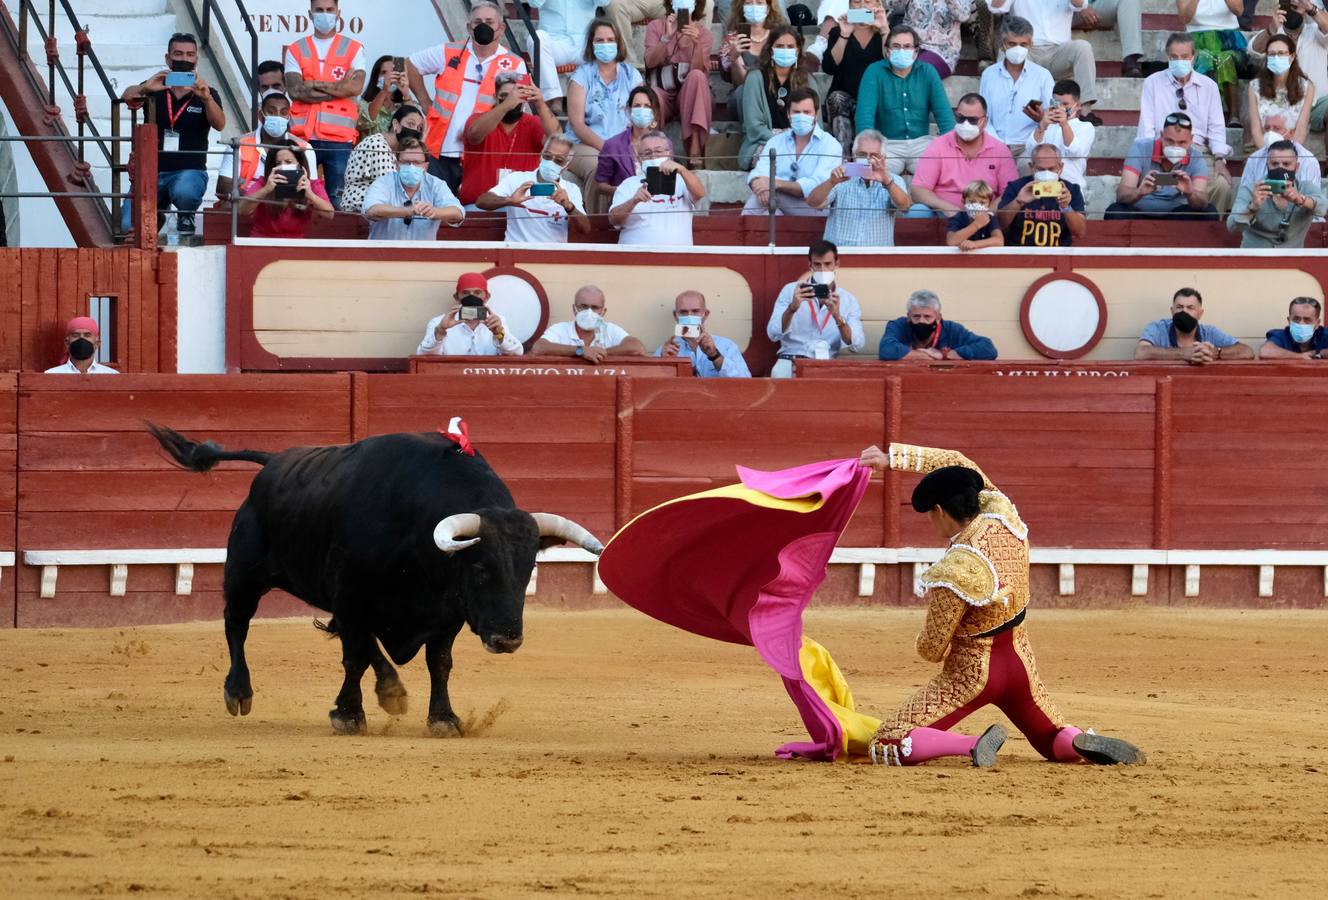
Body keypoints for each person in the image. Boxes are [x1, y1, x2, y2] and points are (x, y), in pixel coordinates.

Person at [856, 442, 1145, 768]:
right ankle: (1073, 739)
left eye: (929, 517)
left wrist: (921, 638)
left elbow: (932, 650)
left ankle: (971, 745)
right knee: (1050, 738)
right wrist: (891, 458)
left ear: (938, 511)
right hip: (1020, 661)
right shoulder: (1002, 515)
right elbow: (956, 460)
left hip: (972, 674)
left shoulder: (955, 569)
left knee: (887, 740)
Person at [407, 1, 527, 193]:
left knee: (472, 213)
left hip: (481, 154)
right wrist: (424, 101)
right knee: (431, 210)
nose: (483, 25)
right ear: (469, 27)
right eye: (478, 21)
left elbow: (516, 109)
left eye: (490, 21)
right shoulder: (448, 51)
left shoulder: (515, 64)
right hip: (439, 152)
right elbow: (410, 64)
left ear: (501, 28)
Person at [118, 32, 225, 243]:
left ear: (196, 59)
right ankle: (156, 215)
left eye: (189, 54)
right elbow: (125, 97)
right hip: (151, 172)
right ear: (168, 59)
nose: (184, 59)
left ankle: (186, 214)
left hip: (188, 172)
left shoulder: (207, 92)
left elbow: (220, 123)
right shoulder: (155, 87)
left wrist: (206, 98)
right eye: (178, 54)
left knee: (185, 189)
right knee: (127, 226)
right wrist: (145, 88)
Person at [284, 0, 366, 209]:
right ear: (310, 13)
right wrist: (339, 87)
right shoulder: (296, 48)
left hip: (339, 139)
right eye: (319, 10)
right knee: (295, 196)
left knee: (338, 199)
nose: (324, 14)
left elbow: (355, 87)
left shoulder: (353, 48)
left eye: (329, 10)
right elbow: (295, 91)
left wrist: (313, 85)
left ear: (338, 13)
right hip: (302, 137)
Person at [565, 18, 645, 213]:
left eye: (610, 40)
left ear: (618, 43)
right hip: (584, 145)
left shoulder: (631, 75)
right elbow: (577, 125)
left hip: (624, 143)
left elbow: (641, 112)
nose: (605, 45)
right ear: (591, 45)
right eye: (599, 41)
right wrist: (610, 149)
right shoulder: (581, 76)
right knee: (599, 166)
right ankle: (598, 226)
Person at [854, 25, 955, 175]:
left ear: (915, 52)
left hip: (922, 144)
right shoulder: (874, 71)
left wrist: (952, 150)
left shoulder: (928, 71)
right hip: (887, 144)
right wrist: (869, 152)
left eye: (907, 47)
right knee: (866, 173)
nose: (901, 51)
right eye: (896, 46)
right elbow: (864, 115)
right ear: (887, 51)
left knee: (942, 172)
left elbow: (944, 115)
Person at [459, 72, 561, 207]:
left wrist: (540, 103)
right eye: (504, 96)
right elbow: (474, 135)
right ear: (495, 98)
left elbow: (557, 139)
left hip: (522, 207)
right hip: (479, 206)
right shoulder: (478, 119)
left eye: (516, 95)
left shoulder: (533, 123)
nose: (512, 100)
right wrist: (507, 104)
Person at [911, 93, 1018, 215]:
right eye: (961, 118)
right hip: (944, 214)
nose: (965, 124)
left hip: (986, 216)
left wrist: (989, 212)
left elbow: (1010, 192)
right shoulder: (938, 146)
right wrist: (945, 207)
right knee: (917, 211)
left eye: (973, 120)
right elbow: (918, 189)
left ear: (985, 121)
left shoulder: (1000, 150)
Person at [743, 88, 844, 215]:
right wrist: (763, 188)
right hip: (781, 204)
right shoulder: (776, 141)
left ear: (816, 115)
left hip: (814, 207)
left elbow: (816, 185)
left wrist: (775, 184)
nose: (801, 117)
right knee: (770, 212)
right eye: (796, 112)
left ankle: (740, 233)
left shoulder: (830, 145)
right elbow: (758, 173)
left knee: (772, 196)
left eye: (807, 112)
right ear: (788, 114)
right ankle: (744, 232)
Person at [1106, 111, 1219, 221]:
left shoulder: (1197, 158)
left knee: (1209, 213)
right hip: (1140, 212)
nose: (1175, 147)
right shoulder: (1140, 148)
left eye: (1182, 143)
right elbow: (1121, 195)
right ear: (1161, 135)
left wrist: (1190, 193)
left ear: (1191, 140)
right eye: (1169, 141)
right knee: (1115, 211)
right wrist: (1139, 192)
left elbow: (1202, 202)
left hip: (1177, 216)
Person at [807, 129, 913, 246]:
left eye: (874, 156)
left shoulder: (894, 180)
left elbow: (905, 206)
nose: (868, 159)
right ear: (854, 156)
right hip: (839, 255)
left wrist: (887, 181)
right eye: (862, 154)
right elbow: (813, 203)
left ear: (883, 158)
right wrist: (831, 182)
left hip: (877, 257)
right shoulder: (840, 177)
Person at [765, 240, 866, 362]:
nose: (822, 270)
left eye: (828, 264)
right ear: (810, 265)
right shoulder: (791, 290)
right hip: (791, 358)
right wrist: (792, 309)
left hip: (825, 364)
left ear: (837, 264)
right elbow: (773, 334)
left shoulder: (848, 300)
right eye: (817, 264)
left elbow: (857, 345)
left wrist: (838, 318)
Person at [984, 0, 1102, 105]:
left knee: (1083, 47)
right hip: (1028, 51)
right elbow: (996, 8)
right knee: (1007, 52)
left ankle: (1086, 111)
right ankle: (1008, 106)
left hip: (1059, 52)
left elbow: (1080, 4)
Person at [477, 135, 590, 243]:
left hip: (552, 257)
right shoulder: (516, 178)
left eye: (558, 160)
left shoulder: (571, 189)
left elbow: (585, 229)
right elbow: (481, 201)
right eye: (547, 156)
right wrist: (509, 200)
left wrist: (569, 206)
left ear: (567, 166)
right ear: (541, 155)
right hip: (516, 252)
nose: (551, 162)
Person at [645, 1, 714, 168]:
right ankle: (650, 151)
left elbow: (700, 72)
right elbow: (650, 62)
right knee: (652, 94)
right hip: (662, 91)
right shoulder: (656, 26)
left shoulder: (703, 33)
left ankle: (695, 147)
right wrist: (666, 37)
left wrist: (696, 44)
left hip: (687, 94)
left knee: (697, 76)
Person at [215, 89, 316, 203]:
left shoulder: (304, 148)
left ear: (289, 116)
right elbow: (223, 187)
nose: (278, 116)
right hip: (245, 209)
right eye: (271, 112)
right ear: (260, 115)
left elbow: (313, 190)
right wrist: (262, 198)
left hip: (287, 211)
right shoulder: (239, 144)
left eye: (283, 112)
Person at [609, 131, 706, 245]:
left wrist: (682, 170)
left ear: (668, 153)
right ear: (640, 159)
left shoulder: (682, 180)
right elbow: (613, 219)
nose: (653, 156)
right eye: (647, 152)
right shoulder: (629, 184)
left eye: (658, 151)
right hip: (636, 257)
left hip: (678, 257)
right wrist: (634, 201)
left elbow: (700, 193)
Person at [1251, 0, 1328, 143]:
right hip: (1281, 104)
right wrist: (1271, 29)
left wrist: (1310, 8)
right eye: (1290, 6)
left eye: (1298, 6)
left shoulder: (1316, 31)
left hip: (1317, 105)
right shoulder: (1273, 32)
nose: (1295, 10)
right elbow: (1255, 50)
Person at [978, 17, 1055, 159]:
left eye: (1023, 44)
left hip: (1029, 147)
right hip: (994, 145)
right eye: (1012, 44)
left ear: (1030, 45)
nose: (1018, 49)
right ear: (1002, 45)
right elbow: (984, 116)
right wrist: (998, 145)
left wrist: (1041, 118)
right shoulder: (989, 75)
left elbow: (1051, 116)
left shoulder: (1043, 76)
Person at [1228, 140, 1327, 248]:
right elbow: (1232, 226)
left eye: (1286, 164)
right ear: (1267, 166)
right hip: (1256, 256)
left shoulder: (1305, 187)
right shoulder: (1251, 189)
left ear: (1296, 167)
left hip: (1292, 258)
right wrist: (1252, 207)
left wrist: (1301, 200)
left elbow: (1324, 207)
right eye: (1274, 164)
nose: (1280, 168)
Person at [361, 137, 465, 240]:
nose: (411, 166)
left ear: (425, 166)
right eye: (406, 162)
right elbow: (372, 210)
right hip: (383, 254)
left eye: (417, 162)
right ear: (397, 165)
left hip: (422, 254)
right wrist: (408, 211)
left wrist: (434, 212)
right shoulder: (383, 182)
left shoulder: (436, 185)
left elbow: (458, 213)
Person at [738, 26, 809, 170]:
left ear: (798, 50)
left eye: (790, 47)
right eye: (779, 46)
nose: (785, 50)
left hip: (799, 142)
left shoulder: (807, 81)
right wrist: (783, 142)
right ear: (770, 49)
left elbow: (815, 123)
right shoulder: (755, 78)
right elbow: (754, 127)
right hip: (765, 142)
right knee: (779, 162)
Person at [822, 0, 887, 151]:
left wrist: (884, 28)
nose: (862, 6)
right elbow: (829, 67)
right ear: (850, 6)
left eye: (868, 2)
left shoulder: (885, 33)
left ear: (878, 5)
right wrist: (845, 34)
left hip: (875, 97)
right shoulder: (838, 32)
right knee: (837, 98)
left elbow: (892, 64)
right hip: (845, 97)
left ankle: (870, 154)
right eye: (857, 2)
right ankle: (844, 155)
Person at [341, 104, 425, 216]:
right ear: (396, 124)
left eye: (419, 128)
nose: (415, 130)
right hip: (360, 211)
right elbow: (392, 187)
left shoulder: (397, 151)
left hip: (381, 211)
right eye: (411, 124)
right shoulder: (378, 145)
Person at [998, 143, 1086, 247]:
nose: (1046, 173)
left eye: (1051, 169)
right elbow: (1000, 225)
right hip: (1020, 254)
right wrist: (1018, 202)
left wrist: (1066, 208)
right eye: (1041, 169)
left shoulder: (1071, 190)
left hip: (1057, 256)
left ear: (1061, 167)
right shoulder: (1017, 187)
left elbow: (1080, 232)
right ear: (1031, 167)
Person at [1134, 287, 1253, 364]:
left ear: (1200, 313)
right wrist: (1184, 353)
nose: (1184, 312)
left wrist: (1215, 352)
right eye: (1179, 307)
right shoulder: (1158, 328)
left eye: (1190, 308)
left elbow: (1247, 352)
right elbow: (1140, 353)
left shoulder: (1209, 332)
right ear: (1172, 311)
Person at [238, 144, 334, 238]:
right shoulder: (265, 182)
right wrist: (266, 189)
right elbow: (242, 210)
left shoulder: (311, 184)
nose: (283, 166)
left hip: (295, 244)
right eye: (278, 163)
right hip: (263, 239)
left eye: (288, 162)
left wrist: (311, 195)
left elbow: (330, 214)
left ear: (300, 164)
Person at [416, 273, 523, 357]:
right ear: (457, 297)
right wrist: (440, 331)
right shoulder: (438, 322)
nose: (471, 297)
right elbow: (422, 356)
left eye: (477, 293)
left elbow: (518, 352)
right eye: (465, 293)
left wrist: (499, 334)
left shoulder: (497, 321)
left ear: (487, 297)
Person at [532, 285, 649, 362]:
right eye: (583, 306)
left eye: (594, 307)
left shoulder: (610, 330)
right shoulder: (560, 329)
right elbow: (538, 348)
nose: (589, 312)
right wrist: (581, 351)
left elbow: (637, 348)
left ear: (603, 312)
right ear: (574, 309)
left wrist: (600, 353)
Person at [1178, 0, 1248, 125]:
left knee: (1224, 59)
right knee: (1205, 59)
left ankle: (1234, 116)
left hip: (1228, 40)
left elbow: (1239, 10)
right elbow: (1184, 18)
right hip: (1197, 39)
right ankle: (1204, 115)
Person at [653, 290, 753, 377]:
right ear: (676, 315)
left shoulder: (726, 346)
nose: (689, 316)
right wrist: (665, 363)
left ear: (705, 314)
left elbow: (745, 381)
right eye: (683, 312)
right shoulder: (666, 350)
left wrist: (715, 355)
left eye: (695, 311)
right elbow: (651, 385)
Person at [594, 86, 665, 206]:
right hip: (626, 208)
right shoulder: (613, 145)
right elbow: (600, 185)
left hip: (658, 206)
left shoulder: (664, 145)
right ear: (629, 110)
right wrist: (624, 192)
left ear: (655, 112)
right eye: (637, 106)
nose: (642, 110)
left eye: (647, 106)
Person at [878, 290, 997, 360]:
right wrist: (925, 355)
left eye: (927, 317)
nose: (921, 321)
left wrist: (946, 355)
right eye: (916, 316)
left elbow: (988, 348)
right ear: (908, 316)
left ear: (938, 317)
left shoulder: (952, 329)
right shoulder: (898, 325)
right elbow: (886, 350)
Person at [527, 0, 601, 109]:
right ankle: (553, 97)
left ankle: (597, 100)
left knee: (605, 40)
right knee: (537, 39)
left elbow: (605, 2)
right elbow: (534, 3)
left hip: (585, 41)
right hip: (555, 41)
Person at [1247, 33, 1315, 147]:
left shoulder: (1306, 87)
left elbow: (1301, 129)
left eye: (1281, 53)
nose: (1276, 58)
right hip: (1263, 149)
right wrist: (1267, 154)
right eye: (1272, 54)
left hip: (1293, 150)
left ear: (1292, 56)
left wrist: (1289, 154)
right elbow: (1256, 129)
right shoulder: (1254, 86)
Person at [1024, 79, 1094, 189]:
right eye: (1056, 103)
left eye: (1065, 104)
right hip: (1042, 185)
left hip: (1071, 186)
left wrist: (1064, 124)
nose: (1060, 108)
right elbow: (1030, 150)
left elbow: (1075, 152)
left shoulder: (1086, 127)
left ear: (1078, 105)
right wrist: (1041, 126)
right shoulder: (1046, 124)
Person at [721, 0, 789, 111]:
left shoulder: (779, 36)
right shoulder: (733, 39)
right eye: (748, 3)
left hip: (774, 91)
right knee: (741, 93)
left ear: (768, 7)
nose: (754, 7)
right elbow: (739, 84)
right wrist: (735, 58)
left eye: (759, 2)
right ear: (742, 7)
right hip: (746, 95)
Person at [885, 0, 975, 79]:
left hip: (940, 50)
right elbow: (893, 5)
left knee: (916, 72)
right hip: (909, 44)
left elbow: (963, 16)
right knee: (882, 70)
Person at [1240, 113, 1322, 188]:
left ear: (1291, 131)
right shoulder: (1254, 159)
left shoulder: (1308, 161)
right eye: (1267, 128)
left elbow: (1313, 198)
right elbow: (1244, 194)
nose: (1270, 132)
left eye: (1277, 128)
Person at [357, 54, 409, 141]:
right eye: (384, 72)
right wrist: (385, 90)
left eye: (393, 72)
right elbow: (364, 121)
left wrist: (406, 94)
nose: (389, 77)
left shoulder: (405, 104)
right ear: (375, 77)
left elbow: (416, 123)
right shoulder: (362, 104)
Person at [1259, 296, 1328, 359]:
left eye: (1307, 320)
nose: (1301, 323)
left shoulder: (1324, 334)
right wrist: (1299, 356)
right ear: (1289, 320)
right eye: (1296, 319)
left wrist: (1318, 353)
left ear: (1317, 323)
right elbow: (1265, 352)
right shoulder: (1281, 335)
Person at [606, 0, 668, 69]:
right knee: (614, 6)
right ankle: (630, 61)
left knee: (680, 9)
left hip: (660, 5)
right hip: (631, 4)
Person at [45, 317, 118, 374]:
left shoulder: (112, 375)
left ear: (97, 343)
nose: (81, 339)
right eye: (76, 335)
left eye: (87, 335)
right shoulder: (51, 375)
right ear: (67, 343)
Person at [945, 181, 1004, 250]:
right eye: (972, 201)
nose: (977, 206)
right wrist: (977, 224)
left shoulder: (990, 218)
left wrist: (975, 244)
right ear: (963, 202)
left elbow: (999, 241)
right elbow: (951, 241)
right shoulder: (958, 217)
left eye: (982, 203)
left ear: (989, 204)